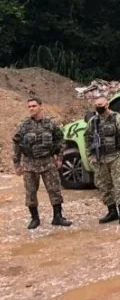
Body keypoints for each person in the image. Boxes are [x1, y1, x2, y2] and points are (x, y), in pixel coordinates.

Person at [12, 97, 71, 229]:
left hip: (48, 162)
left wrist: (59, 158)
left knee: (54, 190)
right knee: (31, 192)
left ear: (40, 107)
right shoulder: (23, 125)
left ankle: (57, 217)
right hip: (29, 163)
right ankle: (35, 219)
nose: (31, 109)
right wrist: (17, 164)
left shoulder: (51, 123)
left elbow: (60, 140)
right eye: (29, 107)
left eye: (34, 106)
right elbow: (16, 144)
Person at [86, 95, 120, 225]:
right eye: (96, 105)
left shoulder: (117, 118)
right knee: (104, 186)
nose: (98, 107)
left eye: (100, 105)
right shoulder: (93, 121)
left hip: (115, 157)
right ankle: (112, 211)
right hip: (100, 159)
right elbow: (87, 138)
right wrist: (90, 155)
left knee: (119, 185)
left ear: (107, 105)